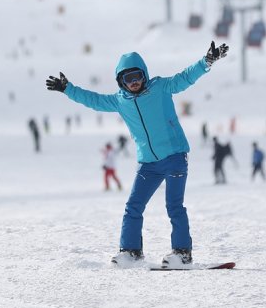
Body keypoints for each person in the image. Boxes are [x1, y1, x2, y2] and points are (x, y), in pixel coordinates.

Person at [46, 40, 229, 267]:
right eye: (128, 79)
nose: (134, 83)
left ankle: (182, 253)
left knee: (174, 206)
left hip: (174, 156)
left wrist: (206, 62)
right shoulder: (119, 101)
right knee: (133, 206)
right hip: (148, 163)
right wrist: (68, 89)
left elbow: (185, 78)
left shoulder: (160, 87)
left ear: (144, 74)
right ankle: (131, 251)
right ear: (121, 82)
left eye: (137, 77)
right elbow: (93, 100)